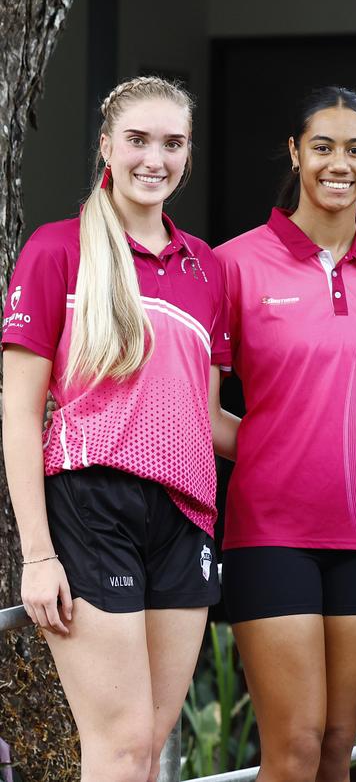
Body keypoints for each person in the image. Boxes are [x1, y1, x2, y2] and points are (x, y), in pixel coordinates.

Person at [2, 76, 237, 782]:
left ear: (188, 154)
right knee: (121, 746)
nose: (153, 158)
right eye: (137, 139)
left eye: (172, 143)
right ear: (107, 144)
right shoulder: (56, 250)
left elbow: (208, 416)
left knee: (147, 749)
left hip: (185, 516)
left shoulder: (208, 269)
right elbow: (16, 410)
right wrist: (38, 554)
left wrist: (304, 450)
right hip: (90, 505)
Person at [213, 86, 356, 782]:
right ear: (297, 152)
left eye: (355, 149)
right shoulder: (234, 264)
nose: (340, 163)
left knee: (337, 746)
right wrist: (284, 447)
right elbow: (203, 412)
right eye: (324, 146)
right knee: (294, 746)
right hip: (271, 531)